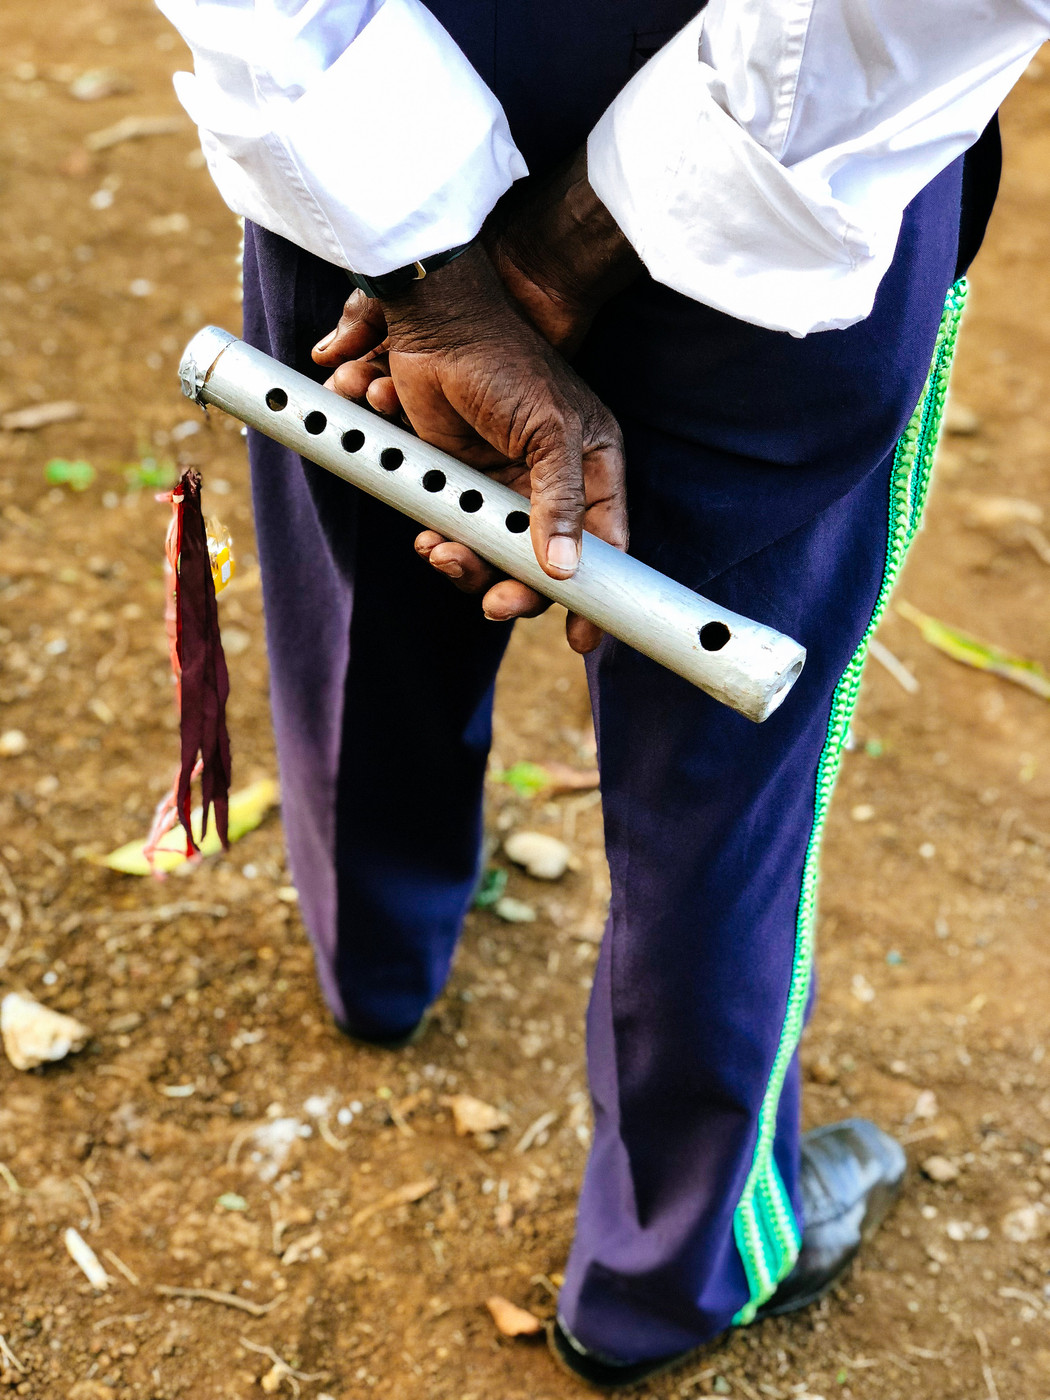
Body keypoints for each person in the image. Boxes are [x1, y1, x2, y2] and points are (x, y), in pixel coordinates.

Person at [156, 0, 1050, 1386]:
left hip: (370, 108)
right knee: (719, 790)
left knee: (364, 591)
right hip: (779, 216)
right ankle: (666, 1274)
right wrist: (553, 252)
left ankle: (378, 963)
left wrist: (434, 265)